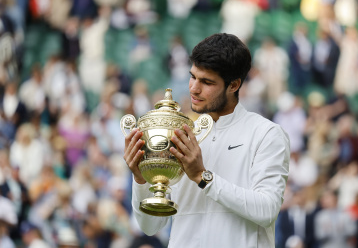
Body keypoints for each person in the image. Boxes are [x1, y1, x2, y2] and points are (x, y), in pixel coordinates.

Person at [123, 33, 290, 247]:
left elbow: (267, 210)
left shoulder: (266, 133)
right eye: (193, 76)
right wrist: (141, 179)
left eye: (207, 82)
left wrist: (203, 177)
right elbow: (150, 226)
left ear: (234, 85)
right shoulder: (180, 134)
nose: (193, 88)